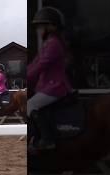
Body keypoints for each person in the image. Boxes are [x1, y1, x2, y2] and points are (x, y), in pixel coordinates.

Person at [27, 7, 73, 150]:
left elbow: (41, 65)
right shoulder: (49, 43)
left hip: (55, 87)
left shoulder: (53, 44)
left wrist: (27, 77)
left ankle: (47, 139)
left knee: (30, 105)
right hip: (48, 86)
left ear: (51, 27)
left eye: (41, 26)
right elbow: (34, 63)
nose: (39, 30)